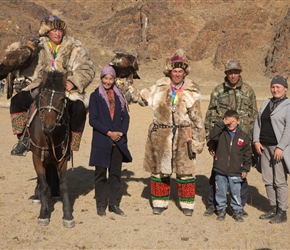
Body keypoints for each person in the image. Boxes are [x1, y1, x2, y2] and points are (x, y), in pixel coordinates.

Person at [125, 49, 205, 216]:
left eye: (180, 71)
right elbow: (141, 98)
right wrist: (129, 87)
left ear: (184, 73)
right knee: (160, 170)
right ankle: (159, 202)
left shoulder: (192, 91)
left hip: (184, 136)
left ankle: (187, 204)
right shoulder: (158, 88)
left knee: (185, 171)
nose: (177, 74)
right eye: (174, 71)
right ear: (169, 71)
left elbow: (197, 119)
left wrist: (198, 141)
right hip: (161, 135)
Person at [9, 15, 95, 156]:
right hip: (41, 86)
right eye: (54, 30)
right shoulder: (38, 46)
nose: (57, 33)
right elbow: (26, 66)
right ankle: (24, 139)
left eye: (60, 30)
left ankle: (70, 144)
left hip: (65, 88)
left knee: (79, 108)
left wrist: (73, 81)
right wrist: (23, 80)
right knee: (17, 101)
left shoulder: (74, 47)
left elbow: (87, 67)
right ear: (47, 32)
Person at [204, 59, 258, 217]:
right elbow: (210, 117)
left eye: (235, 72)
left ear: (240, 73)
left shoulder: (248, 91)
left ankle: (238, 207)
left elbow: (254, 117)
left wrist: (252, 141)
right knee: (217, 174)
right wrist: (211, 143)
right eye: (230, 72)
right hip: (222, 142)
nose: (233, 75)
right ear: (226, 74)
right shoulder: (218, 91)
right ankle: (212, 205)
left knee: (241, 175)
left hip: (241, 142)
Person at [88, 65, 132, 217]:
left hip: (118, 142)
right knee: (100, 174)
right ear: (101, 78)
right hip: (102, 141)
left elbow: (125, 116)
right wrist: (109, 133)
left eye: (110, 78)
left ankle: (113, 204)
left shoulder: (119, 96)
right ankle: (101, 205)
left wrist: (121, 132)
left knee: (115, 175)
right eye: (105, 78)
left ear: (114, 80)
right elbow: (93, 120)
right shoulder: (95, 96)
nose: (107, 81)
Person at [253, 75, 290, 224]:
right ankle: (273, 208)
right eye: (273, 87)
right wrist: (256, 140)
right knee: (268, 179)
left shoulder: (288, 105)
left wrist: (280, 147)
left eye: (278, 87)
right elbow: (258, 122)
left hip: (278, 148)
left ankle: (282, 211)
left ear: (285, 89)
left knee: (279, 180)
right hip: (264, 147)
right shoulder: (266, 102)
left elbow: (289, 129)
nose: (275, 90)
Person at [209, 110, 252, 222]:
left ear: (238, 121)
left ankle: (237, 211)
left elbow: (247, 154)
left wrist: (245, 169)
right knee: (221, 191)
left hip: (236, 170)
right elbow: (212, 135)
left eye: (233, 121)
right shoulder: (221, 134)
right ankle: (221, 210)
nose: (230, 124)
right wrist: (222, 124)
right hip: (221, 169)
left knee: (235, 192)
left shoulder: (243, 136)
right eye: (228, 122)